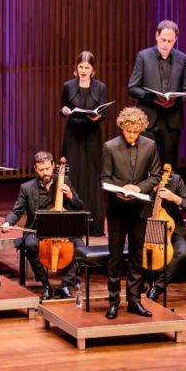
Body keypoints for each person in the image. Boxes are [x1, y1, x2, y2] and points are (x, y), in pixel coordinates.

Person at [101, 107, 160, 319]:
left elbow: (156, 175)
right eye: (128, 132)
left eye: (136, 132)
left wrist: (139, 188)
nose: (132, 136)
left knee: (136, 257)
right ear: (122, 128)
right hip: (117, 209)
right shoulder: (110, 147)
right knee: (115, 258)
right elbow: (105, 178)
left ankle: (134, 300)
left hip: (139, 208)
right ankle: (114, 301)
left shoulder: (150, 145)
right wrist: (120, 191)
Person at [1, 151, 83, 300]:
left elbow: (79, 206)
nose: (45, 173)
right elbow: (17, 210)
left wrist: (71, 195)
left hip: (61, 229)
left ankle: (65, 285)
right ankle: (46, 285)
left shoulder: (64, 181)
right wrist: (8, 222)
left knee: (78, 245)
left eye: (47, 168)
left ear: (53, 166)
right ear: (35, 169)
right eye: (41, 170)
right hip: (37, 229)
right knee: (31, 244)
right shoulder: (27, 188)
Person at [127, 20, 186, 167]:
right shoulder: (143, 56)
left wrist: (175, 100)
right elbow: (132, 87)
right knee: (146, 163)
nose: (166, 44)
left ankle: (167, 190)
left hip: (172, 120)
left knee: (169, 165)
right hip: (149, 119)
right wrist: (150, 97)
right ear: (156, 36)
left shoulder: (182, 59)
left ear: (175, 40)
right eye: (163, 40)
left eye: (170, 41)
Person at [60, 51, 108, 236]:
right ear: (76, 67)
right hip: (73, 134)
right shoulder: (68, 86)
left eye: (87, 67)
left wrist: (99, 116)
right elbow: (62, 106)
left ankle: (94, 225)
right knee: (75, 174)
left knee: (92, 175)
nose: (83, 70)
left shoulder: (100, 87)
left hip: (92, 134)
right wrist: (63, 110)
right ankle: (74, 224)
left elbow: (104, 112)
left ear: (93, 69)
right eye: (81, 67)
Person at [143, 169, 186, 303]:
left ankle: (158, 286)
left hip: (173, 228)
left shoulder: (174, 179)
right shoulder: (140, 178)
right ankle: (140, 283)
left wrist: (175, 198)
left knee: (182, 252)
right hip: (147, 227)